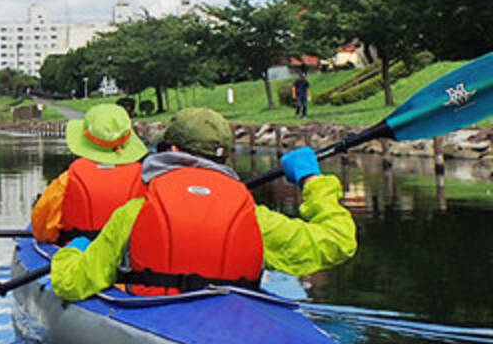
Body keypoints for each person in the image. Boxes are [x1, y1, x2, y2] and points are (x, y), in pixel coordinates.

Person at [51, 107, 356, 300]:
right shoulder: (252, 217)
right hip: (235, 325)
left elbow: (70, 284)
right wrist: (311, 180)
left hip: (152, 321)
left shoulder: (135, 212)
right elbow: (339, 241)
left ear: (170, 150)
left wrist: (72, 252)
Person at [31, 104, 149, 244]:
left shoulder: (66, 180)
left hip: (79, 256)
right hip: (128, 257)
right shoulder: (147, 181)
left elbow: (42, 231)